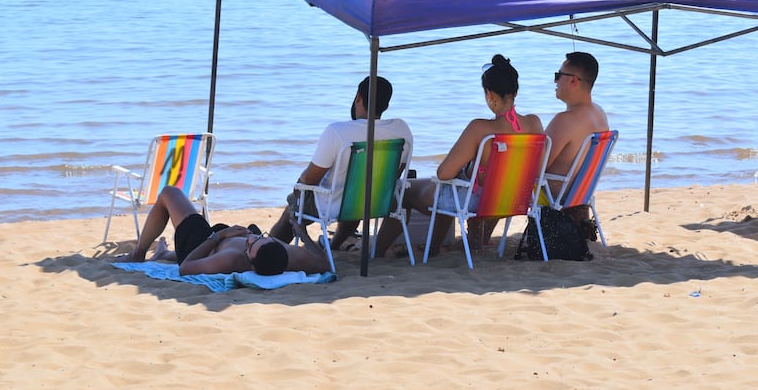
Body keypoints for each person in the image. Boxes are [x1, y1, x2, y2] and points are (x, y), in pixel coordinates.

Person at [374, 54, 544, 256]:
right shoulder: (534, 123)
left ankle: (377, 254)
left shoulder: (480, 128)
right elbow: (537, 168)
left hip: (477, 203)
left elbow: (444, 173)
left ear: (489, 94)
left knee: (403, 192)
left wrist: (463, 168)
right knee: (450, 185)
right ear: (516, 91)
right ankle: (434, 248)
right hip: (514, 198)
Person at [269, 76, 413, 251]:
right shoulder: (401, 129)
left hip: (334, 206)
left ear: (358, 97)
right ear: (386, 105)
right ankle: (336, 245)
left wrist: (297, 192)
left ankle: (270, 247)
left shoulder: (337, 132)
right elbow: (395, 173)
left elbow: (309, 179)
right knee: (357, 192)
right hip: (377, 202)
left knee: (296, 203)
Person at [115, 186, 331, 275]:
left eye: (252, 244)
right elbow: (324, 263)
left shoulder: (231, 259)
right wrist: (302, 234)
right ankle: (163, 254)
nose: (253, 238)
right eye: (262, 237)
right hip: (223, 240)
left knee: (169, 193)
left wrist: (219, 236)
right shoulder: (290, 256)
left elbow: (186, 267)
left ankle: (138, 254)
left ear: (249, 258)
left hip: (202, 244)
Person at [544, 51, 610, 238]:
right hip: (579, 194)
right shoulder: (599, 113)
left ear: (573, 81)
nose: (555, 81)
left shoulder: (565, 121)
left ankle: (477, 244)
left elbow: (536, 168)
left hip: (554, 195)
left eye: (558, 75)